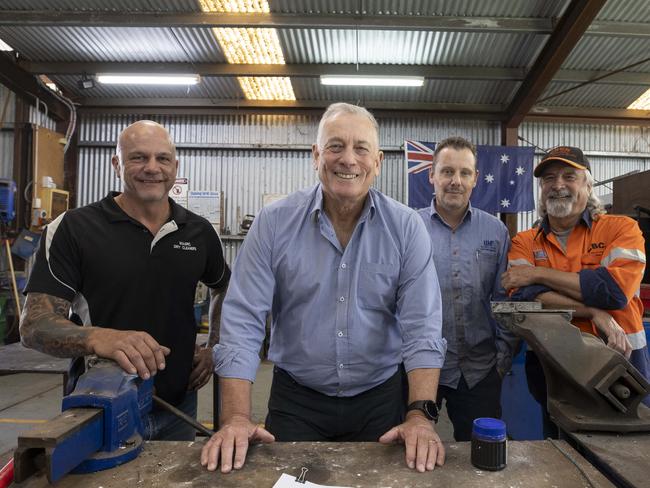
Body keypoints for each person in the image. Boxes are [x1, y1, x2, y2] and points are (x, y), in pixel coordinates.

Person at [201, 103, 447, 474]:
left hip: (379, 400)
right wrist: (236, 417)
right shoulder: (274, 222)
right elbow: (243, 319)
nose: (348, 159)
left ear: (377, 162)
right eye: (335, 146)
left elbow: (422, 326)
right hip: (297, 401)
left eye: (361, 148)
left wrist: (419, 415)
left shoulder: (406, 227)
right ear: (316, 155)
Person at [20, 120, 230, 440]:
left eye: (162, 158)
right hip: (103, 408)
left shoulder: (199, 232)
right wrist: (99, 338)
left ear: (175, 166)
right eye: (138, 158)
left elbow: (225, 287)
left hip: (179, 406)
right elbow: (34, 325)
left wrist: (215, 344)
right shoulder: (74, 228)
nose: (152, 168)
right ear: (117, 163)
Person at [502, 145, 650, 435]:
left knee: (622, 454)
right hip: (551, 363)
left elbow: (613, 291)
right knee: (560, 447)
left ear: (588, 184)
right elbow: (522, 296)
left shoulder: (621, 229)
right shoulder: (524, 241)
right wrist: (593, 311)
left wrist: (537, 273)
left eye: (569, 176)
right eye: (548, 179)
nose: (558, 185)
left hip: (618, 360)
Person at [417, 136, 516, 441]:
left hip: (479, 370)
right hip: (420, 367)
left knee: (481, 455)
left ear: (475, 178)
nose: (455, 181)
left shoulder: (496, 232)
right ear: (432, 175)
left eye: (464, 173)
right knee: (408, 451)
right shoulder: (410, 228)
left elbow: (504, 301)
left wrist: (502, 360)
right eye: (447, 172)